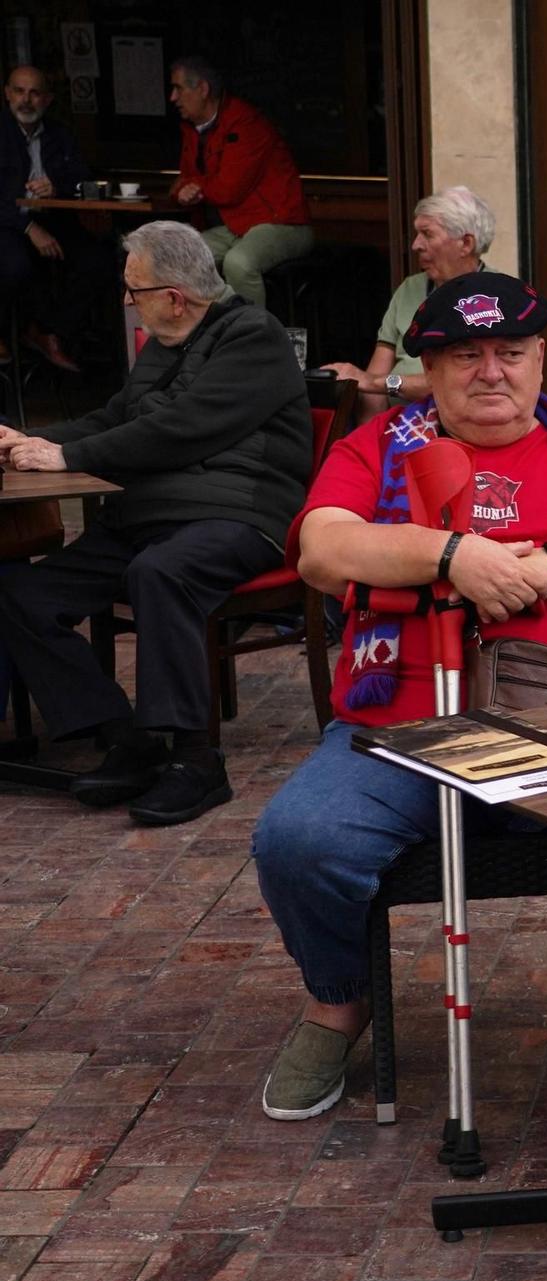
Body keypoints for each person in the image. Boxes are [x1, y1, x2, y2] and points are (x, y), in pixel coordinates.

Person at [252, 270, 547, 1189]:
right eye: (466, 355)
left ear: (542, 358)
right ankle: (339, 1000)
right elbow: (322, 546)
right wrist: (451, 555)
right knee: (297, 838)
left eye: (510, 352)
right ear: (430, 366)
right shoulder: (383, 444)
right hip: (404, 731)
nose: (491, 372)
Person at [0, 221, 310, 824]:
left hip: (236, 516)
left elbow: (183, 426)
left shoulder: (253, 336)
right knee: (20, 591)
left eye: (132, 290)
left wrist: (70, 457)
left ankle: (196, 762)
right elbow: (115, 418)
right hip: (145, 517)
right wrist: (30, 440)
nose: (125, 301)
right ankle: (125, 738)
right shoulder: (163, 345)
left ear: (174, 296)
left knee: (161, 572)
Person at [322, 186, 493, 403]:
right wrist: (372, 434)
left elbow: (458, 382)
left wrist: (377, 383)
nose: (416, 245)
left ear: (466, 244)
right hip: (399, 428)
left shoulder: (496, 297)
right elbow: (373, 383)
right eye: (417, 234)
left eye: (427, 234)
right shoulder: (409, 290)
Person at [167, 56, 312, 309]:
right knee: (179, 260)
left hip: (281, 223)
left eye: (178, 88)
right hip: (235, 228)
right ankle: (206, 337)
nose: (172, 98)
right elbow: (180, 184)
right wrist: (184, 189)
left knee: (239, 263)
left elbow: (228, 189)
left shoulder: (245, 122)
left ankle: (253, 342)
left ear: (202, 89)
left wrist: (193, 186)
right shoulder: (192, 130)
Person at [0, 65, 96, 371]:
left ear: (48, 99)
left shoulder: (59, 134)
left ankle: (48, 332)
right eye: (19, 91)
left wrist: (58, 186)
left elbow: (84, 179)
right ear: (7, 94)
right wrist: (29, 227)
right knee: (16, 268)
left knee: (98, 261)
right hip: (9, 223)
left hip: (54, 220)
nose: (26, 100)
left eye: (35, 92)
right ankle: (7, 333)